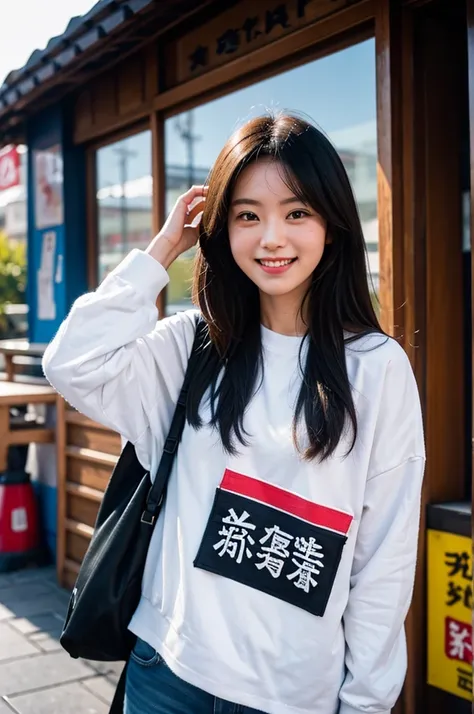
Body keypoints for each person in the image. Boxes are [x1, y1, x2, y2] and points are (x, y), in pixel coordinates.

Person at [43, 113, 425, 714]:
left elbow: (384, 560)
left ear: (333, 224)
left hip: (294, 696)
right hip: (166, 672)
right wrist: (162, 248)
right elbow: (72, 363)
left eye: (297, 213)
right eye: (248, 215)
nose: (272, 237)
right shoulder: (192, 346)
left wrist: (368, 703)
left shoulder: (376, 369)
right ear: (221, 229)